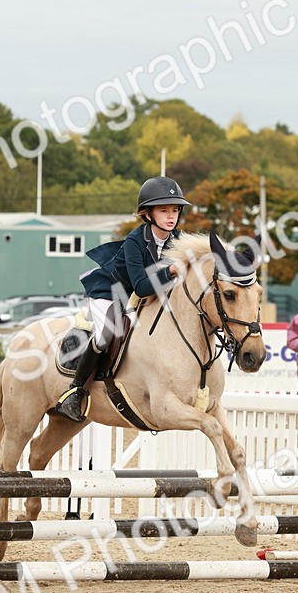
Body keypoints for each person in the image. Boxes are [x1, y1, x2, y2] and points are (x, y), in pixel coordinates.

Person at [51, 177, 189, 423]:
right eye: (164, 210)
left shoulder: (177, 240)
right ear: (147, 214)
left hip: (141, 296)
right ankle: (75, 391)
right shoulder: (135, 241)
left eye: (175, 210)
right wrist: (170, 272)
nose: (171, 216)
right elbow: (142, 286)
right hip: (110, 291)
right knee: (106, 333)